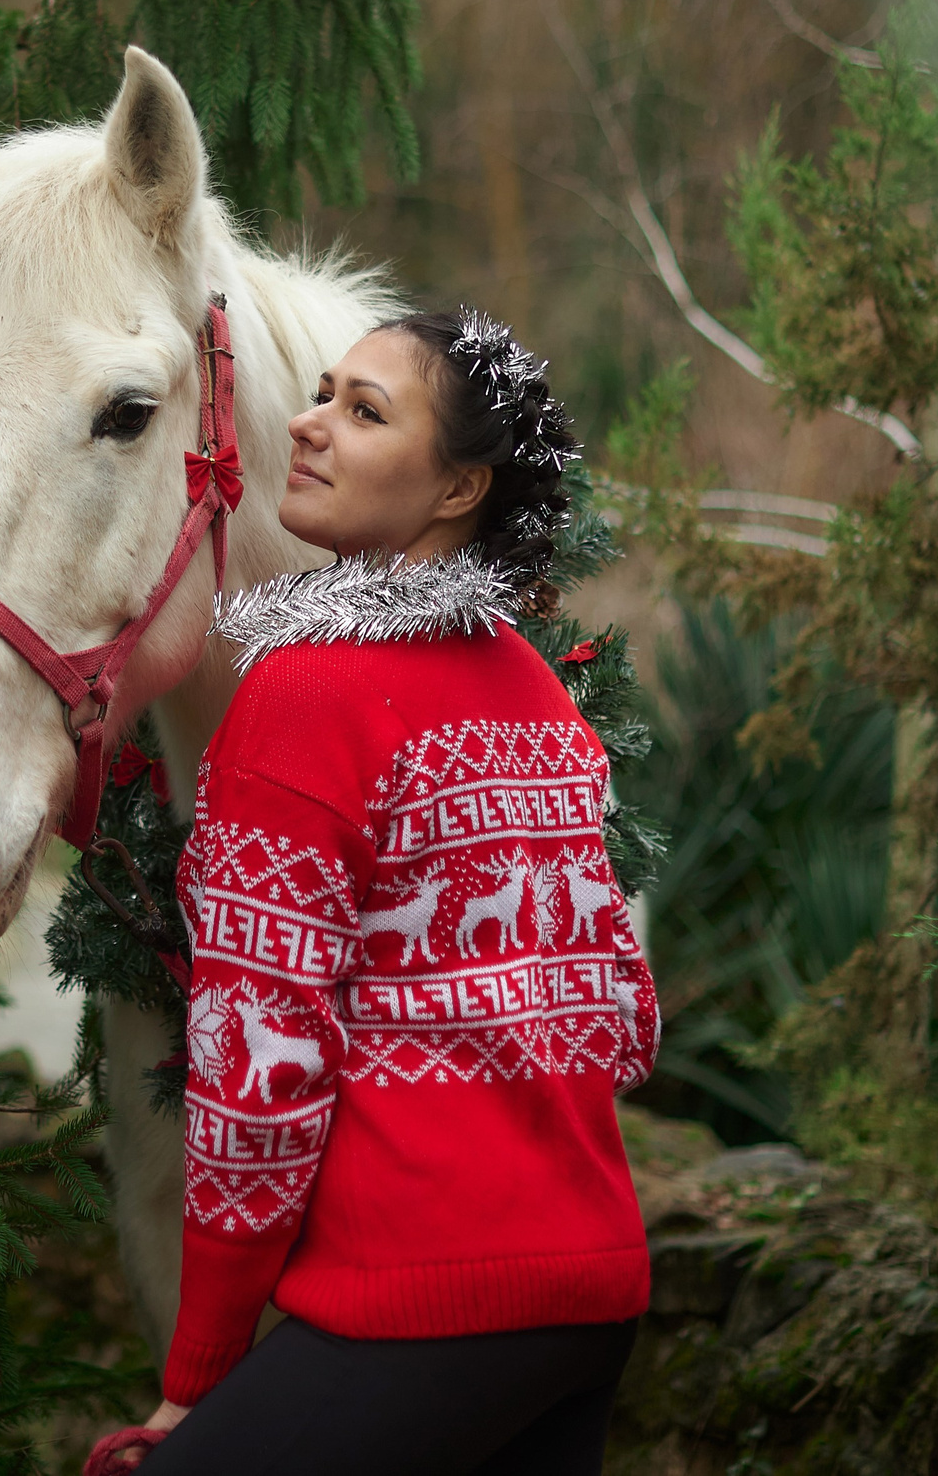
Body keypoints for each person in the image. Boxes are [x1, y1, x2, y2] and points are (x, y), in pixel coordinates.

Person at [94, 310, 662, 1476]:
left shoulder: (306, 696)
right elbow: (623, 1012)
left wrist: (195, 1375)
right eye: (320, 392)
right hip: (592, 1287)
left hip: (415, 1307)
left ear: (459, 485)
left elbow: (257, 1077)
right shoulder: (538, 694)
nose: (306, 425)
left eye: (364, 411)